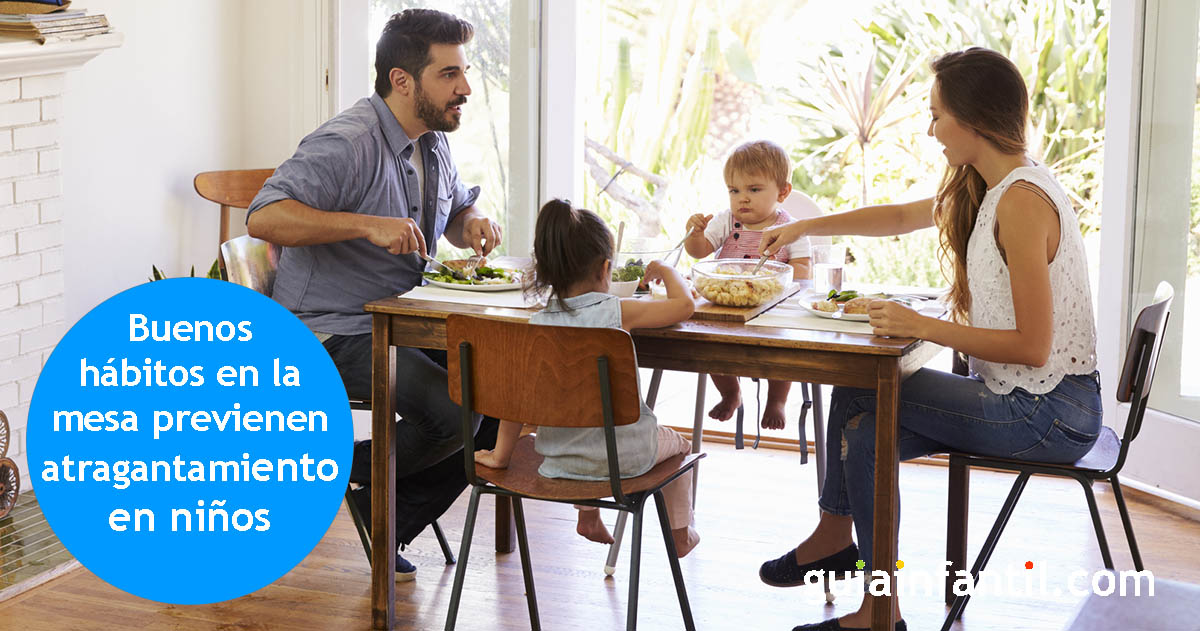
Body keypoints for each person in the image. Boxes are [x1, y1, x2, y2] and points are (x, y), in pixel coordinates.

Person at [757, 47, 1101, 631]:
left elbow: (1032, 348)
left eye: (937, 114)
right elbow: (898, 218)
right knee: (860, 413)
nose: (931, 128)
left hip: (1049, 412)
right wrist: (807, 224)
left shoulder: (1020, 202)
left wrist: (920, 326)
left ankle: (862, 585)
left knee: (863, 407)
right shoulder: (988, 183)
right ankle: (857, 572)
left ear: (973, 120)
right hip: (1029, 399)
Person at [245, 8, 503, 581]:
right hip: (331, 330)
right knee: (453, 412)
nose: (464, 88)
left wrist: (474, 221)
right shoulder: (348, 141)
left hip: (401, 321)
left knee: (498, 398)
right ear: (402, 80)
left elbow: (456, 209)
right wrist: (363, 223)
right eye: (449, 74)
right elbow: (264, 216)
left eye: (464, 72)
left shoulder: (430, 140)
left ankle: (378, 511)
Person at [473, 199, 702, 557]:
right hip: (627, 458)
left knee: (581, 424)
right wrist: (667, 271)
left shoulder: (537, 327)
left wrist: (501, 456)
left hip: (559, 459)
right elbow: (684, 306)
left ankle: (589, 513)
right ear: (606, 268)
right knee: (682, 445)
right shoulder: (618, 311)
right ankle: (681, 534)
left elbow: (514, 405)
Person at [683, 140, 812, 430]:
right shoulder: (725, 222)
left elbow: (802, 271)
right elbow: (700, 251)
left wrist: (781, 281)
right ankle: (731, 393)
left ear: (782, 191)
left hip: (770, 308)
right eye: (734, 190)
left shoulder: (791, 228)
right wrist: (695, 233)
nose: (742, 199)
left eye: (753, 190)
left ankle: (776, 399)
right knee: (711, 348)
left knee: (781, 352)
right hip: (725, 306)